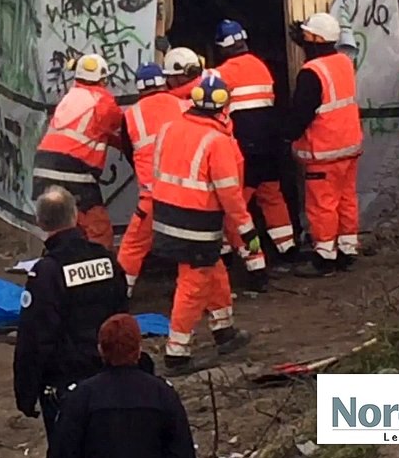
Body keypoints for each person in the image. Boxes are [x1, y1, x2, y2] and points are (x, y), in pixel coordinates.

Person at [152, 71, 257, 374]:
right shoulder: (218, 141)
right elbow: (230, 193)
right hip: (196, 223)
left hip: (167, 216)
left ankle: (224, 330)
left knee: (215, 272)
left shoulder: (170, 128)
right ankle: (177, 352)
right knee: (193, 284)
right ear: (224, 109)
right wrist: (246, 229)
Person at [14, 187, 128, 443]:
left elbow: (35, 338)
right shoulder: (107, 260)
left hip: (66, 384)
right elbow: (123, 316)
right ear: (76, 216)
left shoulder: (47, 272)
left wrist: (26, 392)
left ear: (40, 222)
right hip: (110, 377)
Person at [46, 314, 195, 458]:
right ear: (138, 349)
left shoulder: (81, 398)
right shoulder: (163, 395)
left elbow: (61, 456)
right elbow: (183, 456)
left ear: (101, 350)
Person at [212, 19, 291, 288]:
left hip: (244, 147)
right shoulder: (261, 66)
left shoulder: (221, 74)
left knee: (237, 206)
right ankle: (287, 248)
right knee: (272, 194)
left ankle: (234, 255)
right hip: (270, 143)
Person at [285, 13, 363, 278]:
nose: (303, 39)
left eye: (307, 35)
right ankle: (347, 249)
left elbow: (299, 113)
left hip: (323, 151)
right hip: (349, 147)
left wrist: (286, 136)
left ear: (317, 39)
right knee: (346, 200)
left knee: (323, 206)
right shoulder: (344, 62)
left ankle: (325, 256)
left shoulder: (312, 72)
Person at [32, 53, 124, 249]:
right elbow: (120, 130)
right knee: (97, 227)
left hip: (43, 165)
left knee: (60, 224)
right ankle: (101, 268)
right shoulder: (102, 101)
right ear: (103, 78)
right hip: (74, 169)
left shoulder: (70, 96)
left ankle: (59, 263)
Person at [117, 63, 187, 296]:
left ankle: (120, 293)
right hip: (188, 192)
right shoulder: (184, 105)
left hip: (153, 195)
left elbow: (127, 151)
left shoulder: (131, 115)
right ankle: (202, 297)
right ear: (164, 83)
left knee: (133, 245)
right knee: (195, 246)